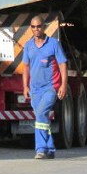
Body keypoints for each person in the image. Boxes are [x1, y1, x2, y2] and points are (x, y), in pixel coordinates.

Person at [22, 16, 68, 160]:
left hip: (50, 87)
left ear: (44, 27)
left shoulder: (54, 44)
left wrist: (63, 85)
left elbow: (63, 65)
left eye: (39, 26)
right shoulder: (28, 46)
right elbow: (26, 67)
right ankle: (50, 148)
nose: (36, 29)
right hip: (35, 89)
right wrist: (24, 86)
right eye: (33, 27)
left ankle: (40, 149)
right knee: (42, 117)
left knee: (41, 113)